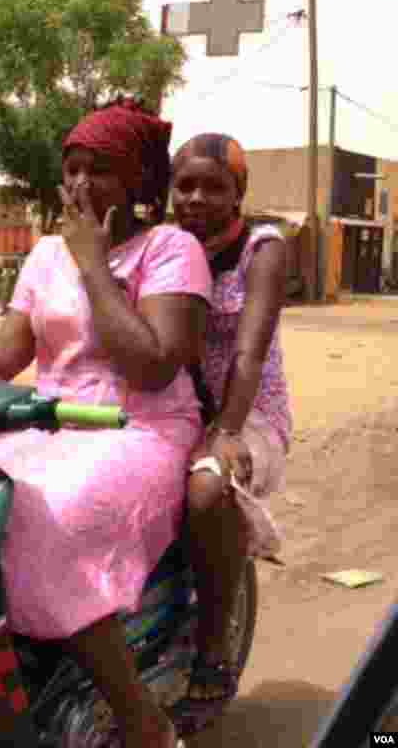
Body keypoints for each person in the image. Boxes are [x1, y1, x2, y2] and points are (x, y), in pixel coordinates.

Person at [0, 98, 210, 748]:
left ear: (138, 182)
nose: (82, 184)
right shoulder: (43, 256)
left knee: (42, 519)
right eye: (73, 168)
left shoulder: (171, 249)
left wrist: (93, 265)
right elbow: (6, 354)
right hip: (45, 424)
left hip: (135, 429)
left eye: (102, 169)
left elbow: (151, 367)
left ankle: (142, 720)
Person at [168, 134, 292, 735]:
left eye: (213, 186)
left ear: (239, 192)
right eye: (185, 185)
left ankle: (214, 651)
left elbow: (250, 349)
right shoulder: (165, 245)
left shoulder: (261, 248)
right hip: (177, 409)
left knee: (206, 492)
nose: (196, 198)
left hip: (249, 414)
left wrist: (227, 430)